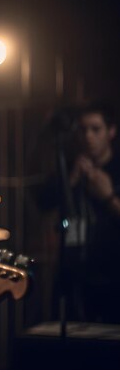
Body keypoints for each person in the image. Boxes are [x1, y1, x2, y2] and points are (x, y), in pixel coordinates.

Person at [61, 102, 120, 323]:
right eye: (83, 129)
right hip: (79, 280)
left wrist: (108, 197)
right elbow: (47, 213)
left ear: (111, 131)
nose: (88, 137)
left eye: (96, 129)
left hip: (115, 279)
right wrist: (71, 182)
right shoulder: (70, 168)